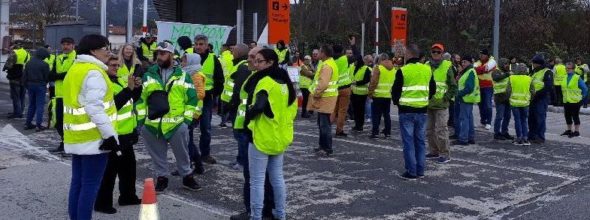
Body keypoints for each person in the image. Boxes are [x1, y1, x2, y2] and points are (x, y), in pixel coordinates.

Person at [63, 34, 119, 220]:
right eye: (105, 48)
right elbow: (94, 107)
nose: (108, 52)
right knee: (90, 185)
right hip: (94, 139)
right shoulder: (94, 73)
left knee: (78, 183)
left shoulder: (75, 68)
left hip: (76, 137)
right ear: (93, 51)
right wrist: (110, 135)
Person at [136, 42, 201, 192]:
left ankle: (187, 176)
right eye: (158, 53)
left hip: (177, 124)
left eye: (163, 53)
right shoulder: (148, 75)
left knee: (183, 154)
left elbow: (192, 100)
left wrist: (186, 121)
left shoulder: (184, 76)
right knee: (157, 156)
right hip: (152, 125)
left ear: (171, 55)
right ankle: (162, 177)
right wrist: (141, 123)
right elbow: (141, 100)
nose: (159, 56)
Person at [244, 48, 297, 220]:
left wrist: (248, 114)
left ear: (270, 62)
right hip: (280, 137)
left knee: (257, 181)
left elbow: (259, 106)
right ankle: (281, 215)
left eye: (259, 61)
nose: (256, 64)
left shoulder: (265, 82)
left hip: (262, 137)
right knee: (278, 179)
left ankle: (256, 217)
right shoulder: (285, 84)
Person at [230, 46, 276, 220]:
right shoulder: (253, 76)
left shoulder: (260, 79)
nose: (250, 60)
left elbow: (256, 106)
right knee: (263, 176)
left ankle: (254, 211)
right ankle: (267, 211)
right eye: (249, 56)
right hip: (249, 129)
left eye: (254, 57)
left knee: (253, 176)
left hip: (252, 131)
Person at [94, 56, 142, 214]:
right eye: (112, 65)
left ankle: (128, 196)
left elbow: (132, 100)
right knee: (109, 172)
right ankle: (102, 203)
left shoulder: (119, 80)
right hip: (113, 135)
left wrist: (136, 88)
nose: (116, 67)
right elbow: (114, 105)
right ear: (104, 66)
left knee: (129, 169)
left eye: (117, 65)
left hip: (126, 133)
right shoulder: (103, 84)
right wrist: (128, 89)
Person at [391, 44, 435, 179]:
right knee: (420, 141)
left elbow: (395, 91)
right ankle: (420, 170)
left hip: (406, 111)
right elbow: (432, 89)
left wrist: (398, 103)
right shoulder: (427, 70)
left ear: (408, 55)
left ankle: (411, 171)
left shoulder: (403, 70)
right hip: (422, 110)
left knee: (408, 142)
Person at [193, 35, 225, 164]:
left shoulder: (213, 59)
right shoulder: (189, 57)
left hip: (206, 99)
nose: (198, 46)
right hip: (192, 99)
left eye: (201, 44)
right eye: (196, 44)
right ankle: (189, 155)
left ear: (207, 45)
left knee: (205, 128)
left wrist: (213, 94)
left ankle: (205, 154)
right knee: (187, 129)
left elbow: (219, 80)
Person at [425, 43, 456, 164]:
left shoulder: (447, 66)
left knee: (441, 130)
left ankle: (445, 154)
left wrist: (446, 98)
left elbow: (453, 86)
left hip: (441, 104)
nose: (436, 54)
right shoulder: (426, 65)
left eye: (438, 52)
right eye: (434, 52)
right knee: (429, 130)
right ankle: (434, 151)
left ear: (442, 54)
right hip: (429, 103)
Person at [221, 44, 250, 169]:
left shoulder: (243, 67)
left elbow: (238, 90)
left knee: (241, 135)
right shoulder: (238, 65)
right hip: (235, 106)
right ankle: (241, 159)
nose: (231, 52)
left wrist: (231, 104)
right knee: (239, 135)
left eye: (234, 50)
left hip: (238, 107)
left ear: (240, 52)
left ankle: (242, 162)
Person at [308, 45, 339, 156]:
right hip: (327, 97)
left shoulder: (326, 66)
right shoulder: (330, 63)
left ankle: (327, 148)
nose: (318, 54)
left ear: (324, 54)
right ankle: (323, 146)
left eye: (320, 52)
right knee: (322, 123)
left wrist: (316, 93)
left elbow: (323, 83)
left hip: (325, 98)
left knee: (324, 125)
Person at [179, 53, 206, 175]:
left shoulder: (195, 75)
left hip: (192, 112)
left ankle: (187, 166)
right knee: (188, 140)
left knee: (186, 140)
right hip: (191, 111)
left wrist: (187, 95)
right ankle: (198, 165)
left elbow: (200, 94)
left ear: (191, 62)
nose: (182, 63)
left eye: (184, 61)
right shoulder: (189, 73)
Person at [49, 37, 77, 153]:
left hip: (71, 95)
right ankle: (64, 142)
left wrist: (58, 75)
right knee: (58, 121)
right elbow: (50, 75)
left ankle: (69, 144)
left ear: (73, 46)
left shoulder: (76, 58)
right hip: (59, 95)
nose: (65, 46)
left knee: (71, 122)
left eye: (68, 44)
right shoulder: (58, 58)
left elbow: (71, 75)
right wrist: (61, 75)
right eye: (63, 44)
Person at [452, 55, 480, 145]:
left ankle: (463, 139)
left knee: (464, 119)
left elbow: (469, 87)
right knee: (469, 119)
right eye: (462, 62)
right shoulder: (468, 71)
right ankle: (470, 137)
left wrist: (459, 94)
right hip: (468, 98)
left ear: (469, 62)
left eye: (465, 62)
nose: (463, 63)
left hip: (465, 98)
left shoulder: (470, 72)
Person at [368, 53, 396, 139]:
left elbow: (373, 82)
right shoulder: (393, 69)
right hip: (387, 95)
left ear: (380, 60)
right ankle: (387, 132)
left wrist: (370, 93)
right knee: (386, 115)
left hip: (377, 95)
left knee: (376, 115)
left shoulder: (378, 68)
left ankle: (375, 132)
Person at [506, 63, 535, 146]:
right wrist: (529, 99)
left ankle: (519, 137)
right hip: (525, 103)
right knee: (524, 120)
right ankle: (525, 138)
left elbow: (508, 90)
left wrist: (510, 98)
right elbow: (533, 91)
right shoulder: (529, 78)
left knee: (517, 120)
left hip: (514, 103)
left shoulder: (512, 78)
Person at [23, 47, 50, 131]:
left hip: (30, 85)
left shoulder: (28, 63)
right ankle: (38, 125)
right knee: (40, 105)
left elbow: (25, 76)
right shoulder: (45, 64)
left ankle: (28, 124)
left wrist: (26, 85)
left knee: (31, 105)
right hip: (40, 85)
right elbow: (47, 77)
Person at [528, 55, 553, 144]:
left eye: (533, 63)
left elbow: (548, 87)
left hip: (541, 99)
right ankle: (531, 135)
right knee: (531, 118)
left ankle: (540, 137)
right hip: (532, 98)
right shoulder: (533, 71)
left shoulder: (547, 72)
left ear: (537, 64)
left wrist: (536, 95)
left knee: (540, 118)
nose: (532, 64)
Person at [561, 61, 588, 138]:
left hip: (575, 101)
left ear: (573, 69)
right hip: (566, 100)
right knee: (567, 116)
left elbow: (585, 89)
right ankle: (569, 130)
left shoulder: (577, 78)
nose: (567, 70)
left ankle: (576, 131)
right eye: (566, 68)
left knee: (575, 116)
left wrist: (582, 98)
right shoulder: (565, 77)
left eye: (569, 68)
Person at [3, 43, 29, 119]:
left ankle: (16, 113)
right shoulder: (27, 53)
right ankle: (21, 112)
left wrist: (5, 68)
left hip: (15, 77)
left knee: (15, 96)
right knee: (22, 96)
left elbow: (8, 65)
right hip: (24, 77)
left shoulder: (15, 53)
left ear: (15, 46)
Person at [332, 44, 352, 137]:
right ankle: (339, 130)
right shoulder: (345, 59)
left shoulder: (331, 60)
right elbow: (358, 56)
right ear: (342, 51)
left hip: (335, 88)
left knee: (334, 110)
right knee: (342, 111)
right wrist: (353, 45)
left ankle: (327, 126)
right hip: (345, 87)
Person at [491, 58, 514, 140]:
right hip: (499, 97)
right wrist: (507, 74)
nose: (507, 65)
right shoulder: (496, 71)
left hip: (508, 97)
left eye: (508, 64)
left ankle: (504, 132)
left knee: (507, 116)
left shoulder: (508, 72)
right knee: (499, 116)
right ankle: (497, 133)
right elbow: (496, 78)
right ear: (501, 64)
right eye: (505, 64)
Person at [474, 49, 496, 130]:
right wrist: (481, 70)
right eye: (480, 54)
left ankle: (488, 122)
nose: (481, 56)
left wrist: (480, 70)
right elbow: (474, 70)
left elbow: (486, 69)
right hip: (479, 86)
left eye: (482, 54)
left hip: (488, 86)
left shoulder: (492, 61)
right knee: (480, 104)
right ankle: (483, 121)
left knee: (488, 104)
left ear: (487, 55)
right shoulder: (478, 62)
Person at [351, 54, 372, 132]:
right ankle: (357, 124)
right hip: (354, 92)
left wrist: (357, 83)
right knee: (356, 110)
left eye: (356, 61)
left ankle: (360, 125)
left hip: (362, 93)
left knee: (360, 110)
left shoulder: (367, 69)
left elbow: (366, 80)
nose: (355, 62)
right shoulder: (354, 68)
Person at [219, 43, 236, 127]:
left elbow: (219, 70)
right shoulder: (233, 57)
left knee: (224, 103)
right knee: (233, 102)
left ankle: (223, 121)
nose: (220, 49)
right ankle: (231, 120)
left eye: (221, 48)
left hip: (225, 83)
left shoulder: (222, 57)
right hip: (233, 82)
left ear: (225, 48)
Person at [45, 45, 57, 127]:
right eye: (48, 49)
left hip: (52, 77)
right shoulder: (43, 57)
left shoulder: (54, 57)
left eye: (50, 49)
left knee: (52, 95)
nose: (50, 50)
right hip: (45, 76)